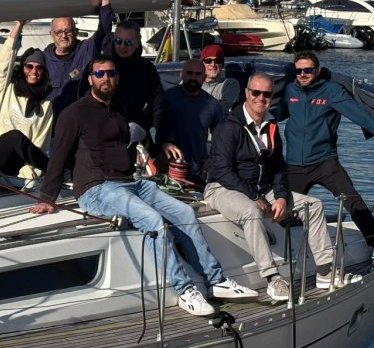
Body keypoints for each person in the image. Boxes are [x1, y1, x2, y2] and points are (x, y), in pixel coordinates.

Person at [30, 55, 255, 315]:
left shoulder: (121, 108)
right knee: (152, 220)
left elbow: (141, 136)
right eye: (99, 74)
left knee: (184, 213)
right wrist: (47, 197)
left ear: (117, 77)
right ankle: (185, 290)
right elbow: (59, 155)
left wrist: (149, 141)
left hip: (131, 182)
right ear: (90, 79)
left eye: (110, 73)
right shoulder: (74, 114)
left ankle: (216, 281)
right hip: (97, 188)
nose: (105, 78)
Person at [204, 71, 356, 304]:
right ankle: (272, 278)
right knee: (251, 211)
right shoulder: (229, 127)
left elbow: (277, 169)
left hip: (260, 188)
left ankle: (325, 272)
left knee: (314, 206)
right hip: (221, 187)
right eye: (256, 93)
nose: (260, 98)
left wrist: (282, 197)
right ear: (246, 93)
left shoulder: (271, 126)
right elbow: (222, 171)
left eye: (266, 94)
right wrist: (254, 196)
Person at [278, 51, 374, 256]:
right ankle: (289, 253)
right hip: (294, 165)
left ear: (317, 70)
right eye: (298, 71)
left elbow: (359, 115)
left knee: (353, 201)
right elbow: (274, 114)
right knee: (282, 210)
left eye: (307, 70)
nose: (302, 74)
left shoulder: (332, 91)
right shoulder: (290, 90)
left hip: (324, 163)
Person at [0, 20, 53, 180]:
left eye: (39, 67)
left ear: (44, 72)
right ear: (22, 67)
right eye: (29, 66)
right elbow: (3, 65)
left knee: (23, 142)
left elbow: (40, 143)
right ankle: (54, 170)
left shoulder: (46, 105)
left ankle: (52, 171)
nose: (34, 71)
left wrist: (27, 177)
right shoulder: (6, 88)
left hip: (19, 166)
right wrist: (19, 26)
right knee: (15, 136)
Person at [44, 0, 113, 116]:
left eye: (68, 31)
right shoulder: (43, 59)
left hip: (81, 120)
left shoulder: (86, 50)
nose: (63, 36)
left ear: (76, 32)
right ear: (51, 34)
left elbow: (104, 31)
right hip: (52, 122)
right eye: (58, 32)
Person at [106, 19, 167, 154]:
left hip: (133, 134)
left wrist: (145, 128)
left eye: (128, 42)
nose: (122, 46)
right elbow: (85, 97)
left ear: (137, 43)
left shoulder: (146, 69)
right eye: (118, 41)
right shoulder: (101, 65)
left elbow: (157, 104)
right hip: (102, 133)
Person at [162, 59, 223, 185]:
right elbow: (148, 128)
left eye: (198, 74)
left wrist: (211, 160)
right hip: (165, 172)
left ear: (204, 77)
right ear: (181, 74)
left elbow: (222, 139)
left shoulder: (212, 105)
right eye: (189, 73)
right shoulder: (166, 98)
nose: (193, 78)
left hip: (197, 176)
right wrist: (159, 148)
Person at [200, 44, 239, 108]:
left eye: (217, 61)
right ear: (201, 64)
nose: (213, 64)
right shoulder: (193, 83)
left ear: (222, 65)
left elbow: (224, 108)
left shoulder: (230, 84)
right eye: (208, 61)